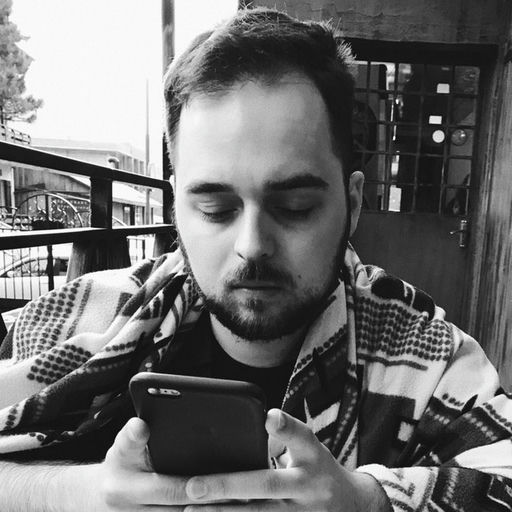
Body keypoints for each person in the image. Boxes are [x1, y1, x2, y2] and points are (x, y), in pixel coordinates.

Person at [0, 7, 511, 511]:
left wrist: (365, 500)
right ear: (176, 208)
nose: (252, 244)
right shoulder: (79, 320)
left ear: (352, 204)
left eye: (295, 207)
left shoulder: (428, 356)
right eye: (215, 209)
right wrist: (86, 492)